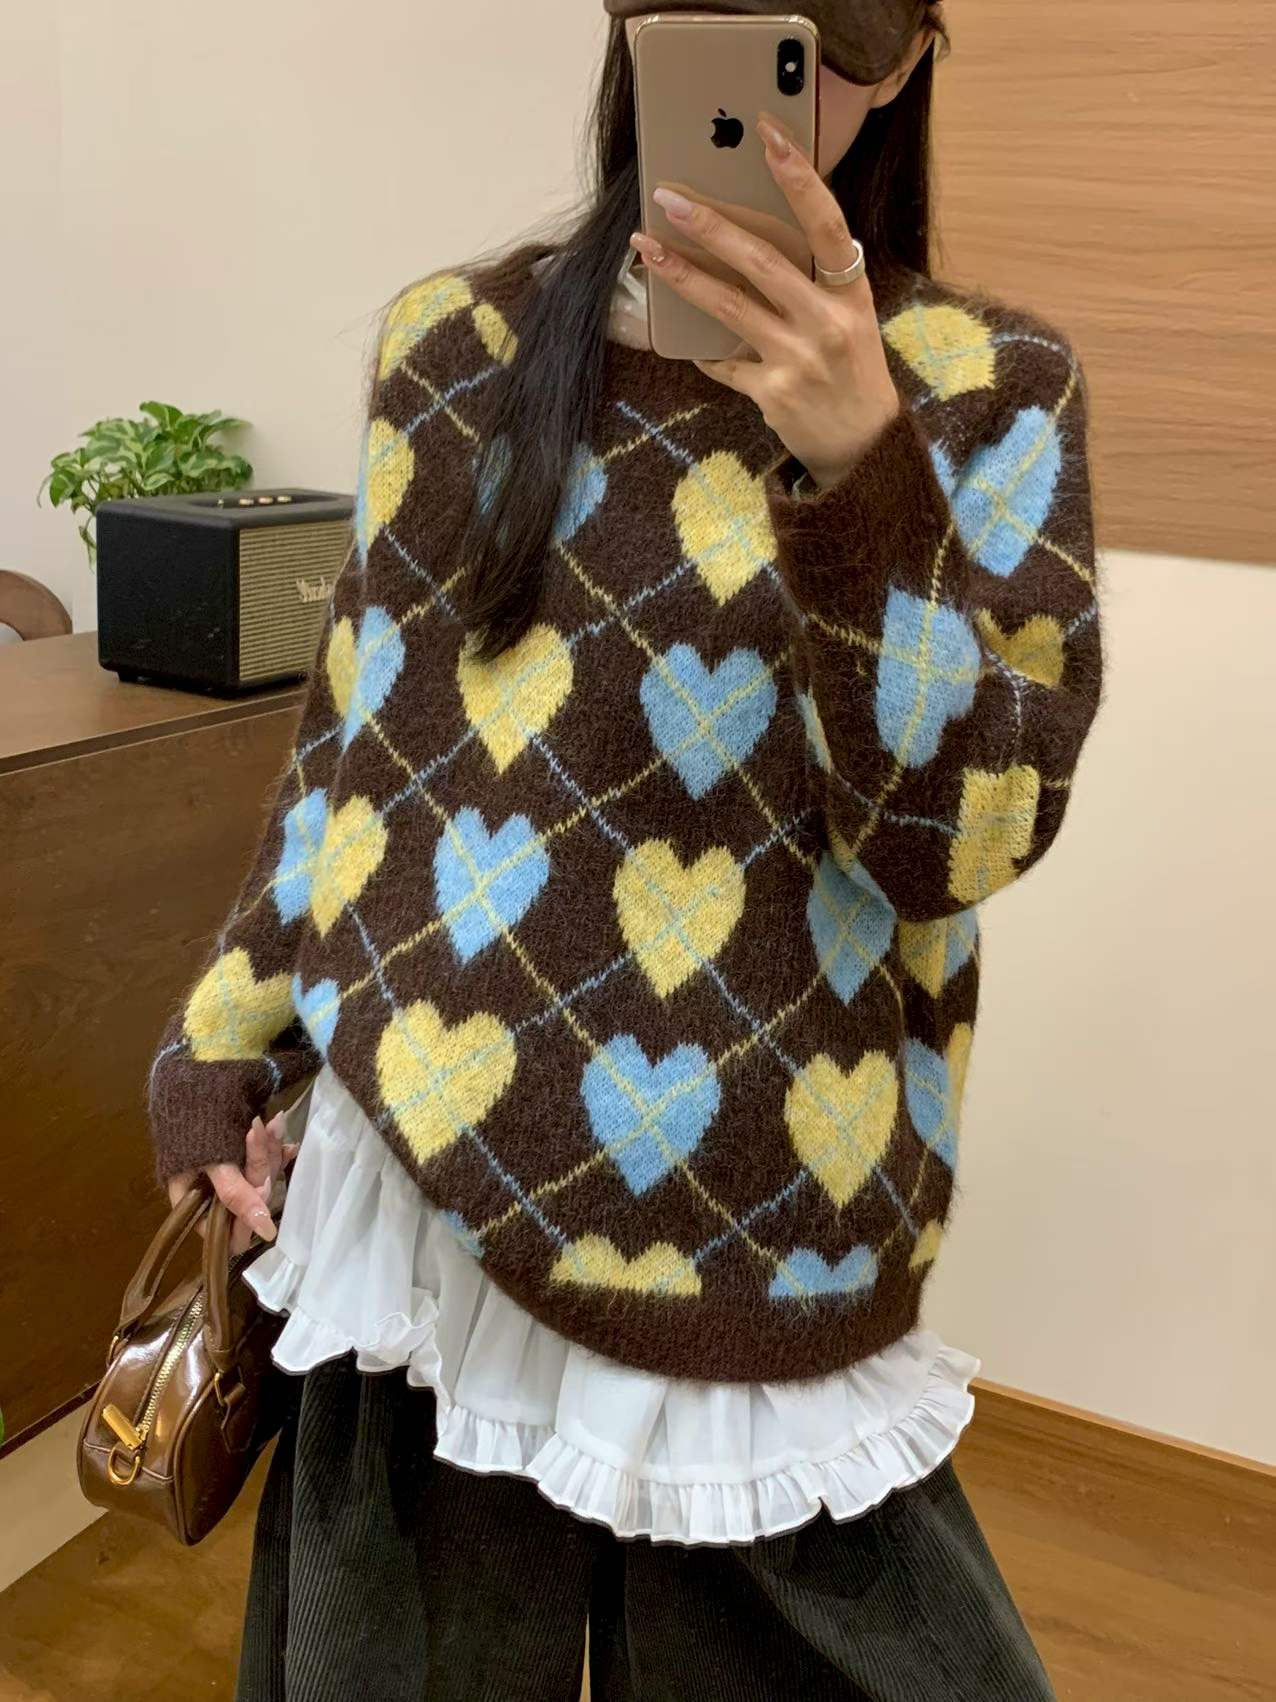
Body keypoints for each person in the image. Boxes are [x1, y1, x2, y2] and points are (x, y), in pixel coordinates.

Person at [147, 3, 1102, 1696]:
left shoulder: (990, 393)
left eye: (832, 31)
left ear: (908, 57)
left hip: (771, 1224)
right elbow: (354, 747)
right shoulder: (456, 348)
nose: (782, 75)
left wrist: (867, 474)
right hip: (420, 1191)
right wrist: (220, 1037)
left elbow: (960, 843)